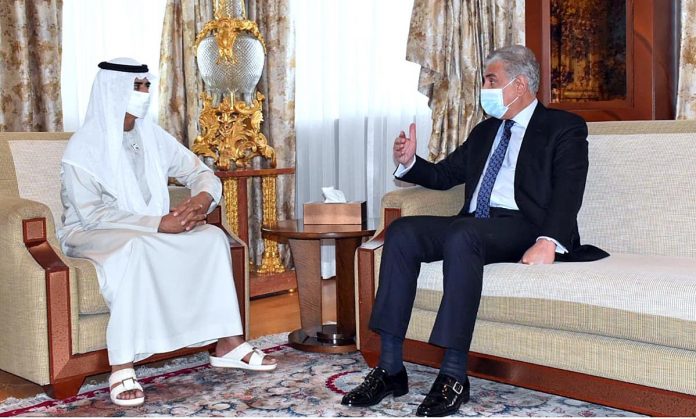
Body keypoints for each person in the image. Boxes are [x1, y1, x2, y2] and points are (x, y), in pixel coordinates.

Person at [341, 45, 608, 416]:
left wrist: (548, 241)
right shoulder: (485, 131)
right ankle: (389, 368)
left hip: (522, 226)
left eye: (491, 80)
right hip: (474, 224)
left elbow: (569, 190)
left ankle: (453, 375)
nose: (484, 88)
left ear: (519, 85)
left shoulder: (562, 127)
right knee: (402, 232)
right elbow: (445, 175)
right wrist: (410, 162)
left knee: (462, 234)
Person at [58, 58, 277, 407]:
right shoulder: (83, 147)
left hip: (148, 226)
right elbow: (92, 214)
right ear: (114, 90)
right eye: (137, 86)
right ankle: (122, 364)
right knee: (136, 248)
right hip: (92, 231)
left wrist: (201, 200)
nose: (145, 92)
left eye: (147, 85)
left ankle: (228, 343)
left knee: (211, 239)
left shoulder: (153, 136)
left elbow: (201, 173)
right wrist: (159, 224)